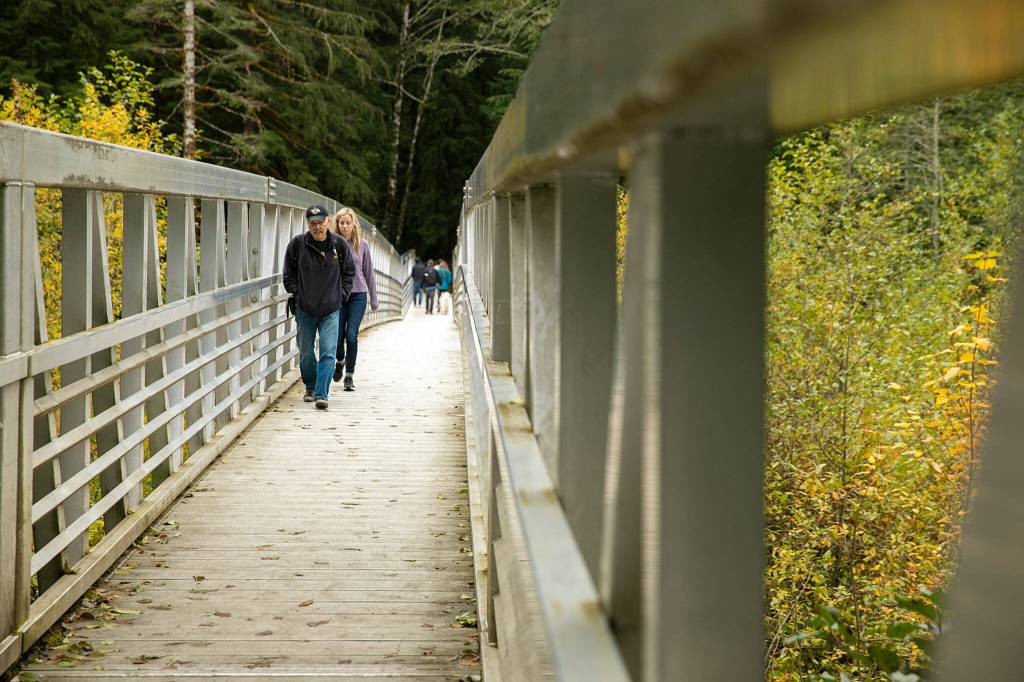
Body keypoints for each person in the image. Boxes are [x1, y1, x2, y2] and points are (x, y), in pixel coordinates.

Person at [282, 204, 356, 410]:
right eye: (312, 223)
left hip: (331, 309)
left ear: (328, 222)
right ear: (308, 224)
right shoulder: (297, 245)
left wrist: (341, 296)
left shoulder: (340, 246)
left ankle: (322, 394)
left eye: (320, 222)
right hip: (305, 309)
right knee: (306, 351)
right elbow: (287, 274)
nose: (317, 227)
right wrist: (298, 294)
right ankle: (311, 386)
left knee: (328, 352)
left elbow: (349, 274)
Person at [332, 208, 379, 391]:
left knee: (351, 335)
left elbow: (368, 272)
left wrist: (374, 299)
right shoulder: (332, 244)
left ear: (354, 225)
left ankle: (349, 376)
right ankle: (340, 360)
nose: (344, 226)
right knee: (337, 336)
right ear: (337, 225)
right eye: (341, 223)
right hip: (338, 295)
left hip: (358, 295)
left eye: (347, 223)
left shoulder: (363, 245)